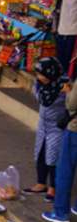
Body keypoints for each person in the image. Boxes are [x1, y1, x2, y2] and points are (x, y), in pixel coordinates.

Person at [27, 56, 69, 200]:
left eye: (41, 74)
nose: (39, 77)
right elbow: (40, 97)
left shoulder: (65, 86)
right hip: (43, 124)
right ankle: (41, 183)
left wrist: (67, 93)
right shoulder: (40, 84)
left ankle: (53, 188)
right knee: (40, 152)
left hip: (57, 126)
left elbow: (70, 105)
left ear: (51, 73)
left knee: (53, 157)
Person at [44, 77, 77, 222]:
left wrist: (69, 91)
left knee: (64, 172)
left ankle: (60, 212)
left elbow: (72, 104)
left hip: (74, 131)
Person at [55, 0, 77, 79]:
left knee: (69, 64)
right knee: (60, 62)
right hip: (61, 29)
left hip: (73, 32)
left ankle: (66, 90)